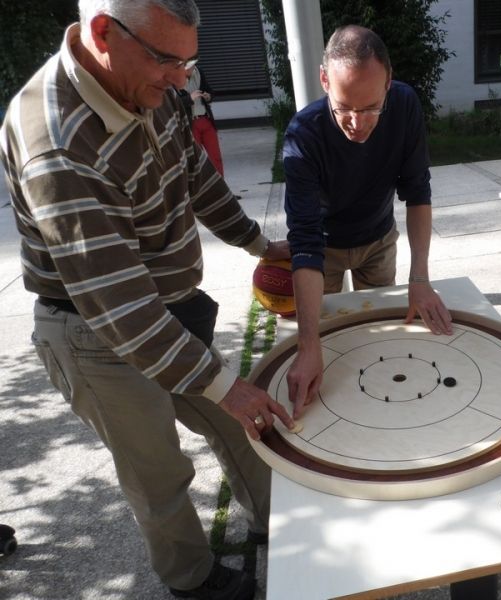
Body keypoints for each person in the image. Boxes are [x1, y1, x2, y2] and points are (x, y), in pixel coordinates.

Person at [0, 1, 293, 599]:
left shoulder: (155, 87)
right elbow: (120, 308)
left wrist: (259, 243)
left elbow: (195, 175)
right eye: (167, 60)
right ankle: (191, 580)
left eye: (189, 61)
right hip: (94, 333)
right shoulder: (56, 144)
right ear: (103, 32)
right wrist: (224, 384)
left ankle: (282, 529)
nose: (181, 79)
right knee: (158, 473)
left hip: (165, 313)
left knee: (240, 425)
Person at [282, 25, 453, 418]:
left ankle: (381, 416)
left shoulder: (405, 104)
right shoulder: (303, 135)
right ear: (325, 81)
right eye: (344, 107)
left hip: (379, 241)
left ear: (389, 83)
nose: (357, 123)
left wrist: (421, 280)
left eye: (371, 107)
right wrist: (307, 345)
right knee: (325, 345)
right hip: (320, 254)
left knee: (379, 343)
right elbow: (305, 241)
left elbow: (418, 192)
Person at [178, 64, 227, 179]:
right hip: (191, 123)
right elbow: (175, 103)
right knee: (196, 161)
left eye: (192, 66)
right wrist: (190, 98)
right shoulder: (176, 78)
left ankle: (222, 191)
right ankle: (202, 194)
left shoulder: (199, 71)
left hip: (205, 119)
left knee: (216, 157)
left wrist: (208, 96)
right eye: (188, 67)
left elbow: (210, 91)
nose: (191, 69)